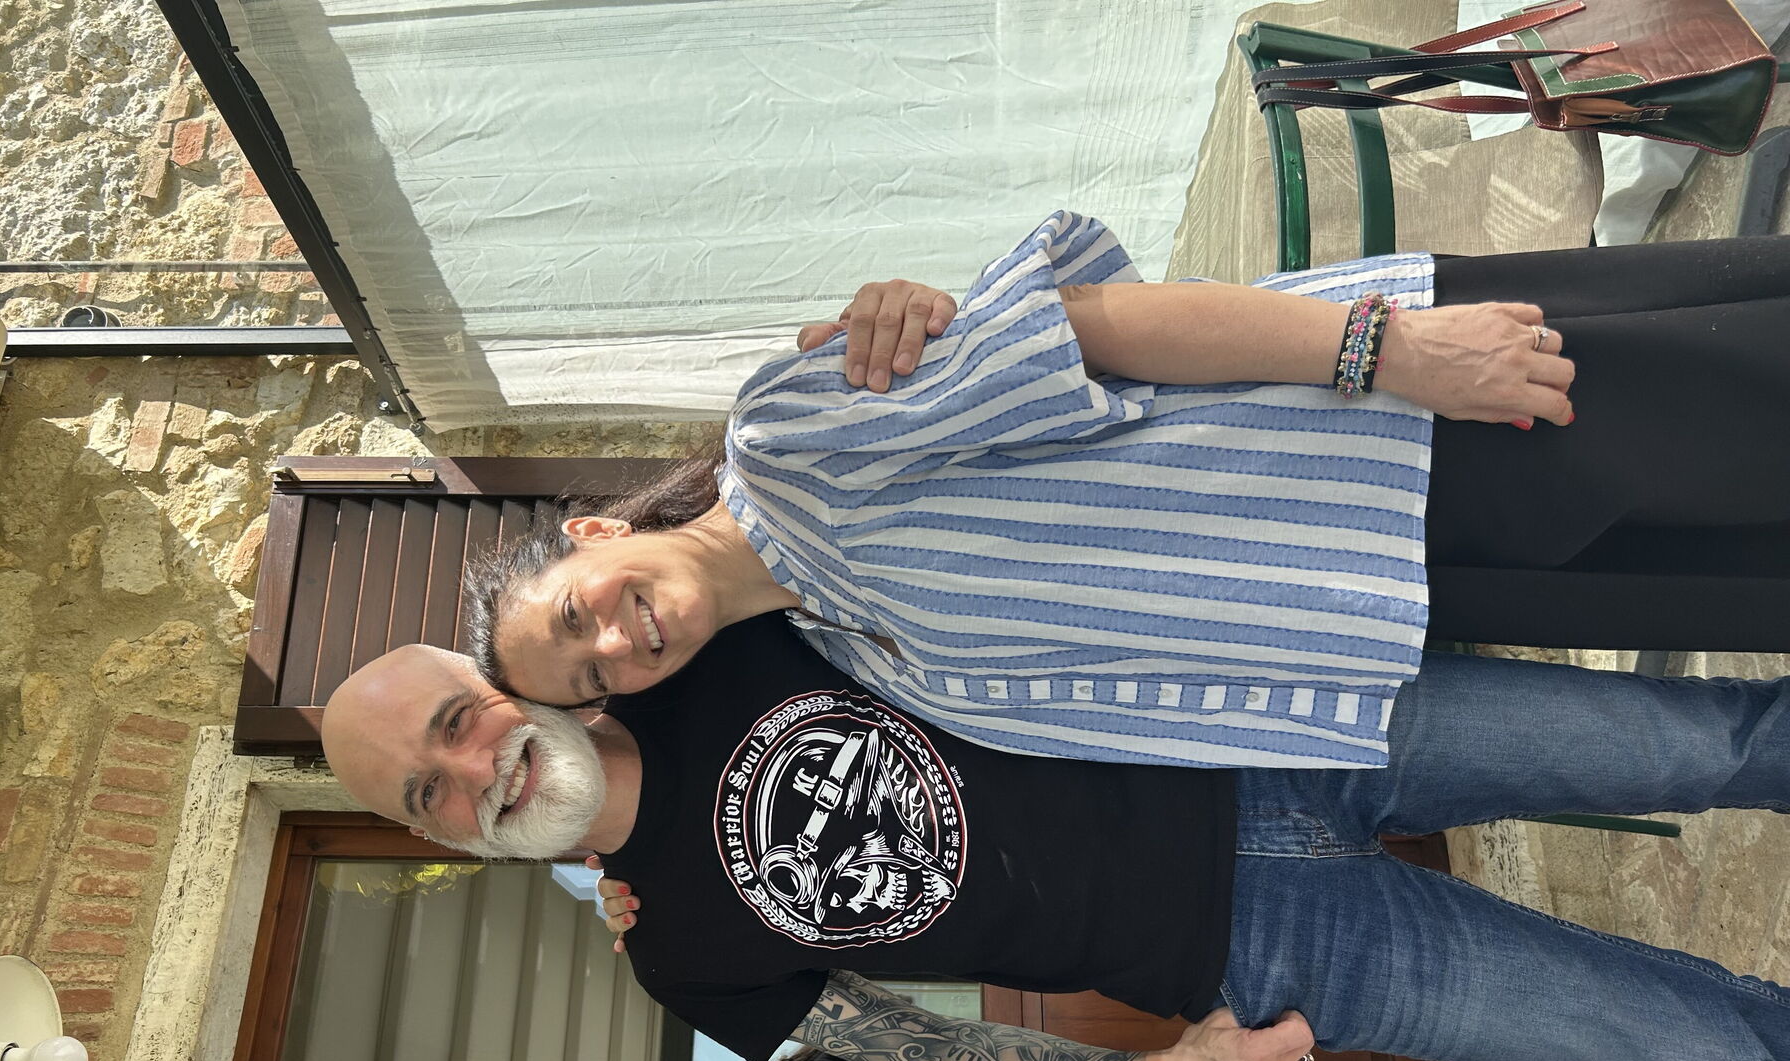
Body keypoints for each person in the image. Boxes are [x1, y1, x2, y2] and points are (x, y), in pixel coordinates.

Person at [318, 615, 1790, 1061]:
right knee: (1707, 1052)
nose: (475, 770)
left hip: (1265, 724)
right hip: (1263, 950)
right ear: (440, 839)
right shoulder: (676, 956)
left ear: (497, 685)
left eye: (456, 722)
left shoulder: (688, 647)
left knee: (1704, 741)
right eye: (429, 794)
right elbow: (915, 1054)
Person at [471, 213, 1790, 771]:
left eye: (576, 614)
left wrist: (1390, 351)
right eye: (593, 680)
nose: (616, 645)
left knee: (1751, 406)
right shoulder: (853, 653)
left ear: (594, 531)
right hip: (1418, 585)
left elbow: (1089, 331)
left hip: (1393, 431)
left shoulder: (788, 438)